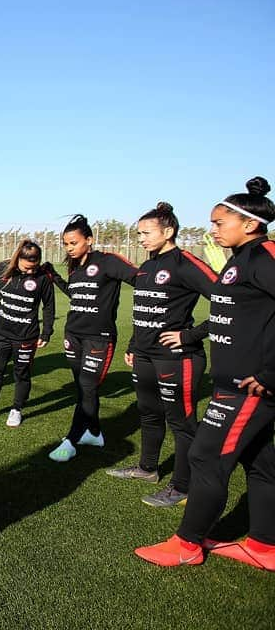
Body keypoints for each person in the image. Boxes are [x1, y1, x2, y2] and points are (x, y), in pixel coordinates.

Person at [136, 177, 275, 570]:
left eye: (219, 223)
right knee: (261, 462)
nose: (212, 230)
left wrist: (271, 373)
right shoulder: (241, 259)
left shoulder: (265, 256)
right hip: (232, 381)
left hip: (250, 387)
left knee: (206, 455)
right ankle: (265, 546)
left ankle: (186, 544)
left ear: (249, 223)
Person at [109, 203, 216, 507]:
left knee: (181, 423)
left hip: (176, 357)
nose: (140, 238)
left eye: (146, 233)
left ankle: (183, 486)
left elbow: (228, 300)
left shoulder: (185, 263)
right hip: (145, 355)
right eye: (138, 233)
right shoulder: (147, 266)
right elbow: (144, 311)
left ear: (168, 232)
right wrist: (133, 346)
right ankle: (147, 469)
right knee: (149, 412)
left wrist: (190, 334)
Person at [46, 214, 138, 462]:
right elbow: (77, 295)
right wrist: (55, 277)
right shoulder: (75, 266)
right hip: (73, 335)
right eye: (65, 244)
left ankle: (71, 440)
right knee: (83, 389)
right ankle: (94, 432)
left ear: (89, 239)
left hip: (99, 338)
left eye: (73, 243)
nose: (69, 248)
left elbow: (140, 279)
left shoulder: (108, 262)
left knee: (88, 386)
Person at [0, 239, 55, 427]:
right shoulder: (3, 269)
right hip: (1, 332)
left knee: (21, 373)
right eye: (26, 267)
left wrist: (46, 332)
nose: (30, 271)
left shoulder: (43, 277)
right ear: (17, 259)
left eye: (34, 267)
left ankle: (16, 409)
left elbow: (49, 306)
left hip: (26, 335)